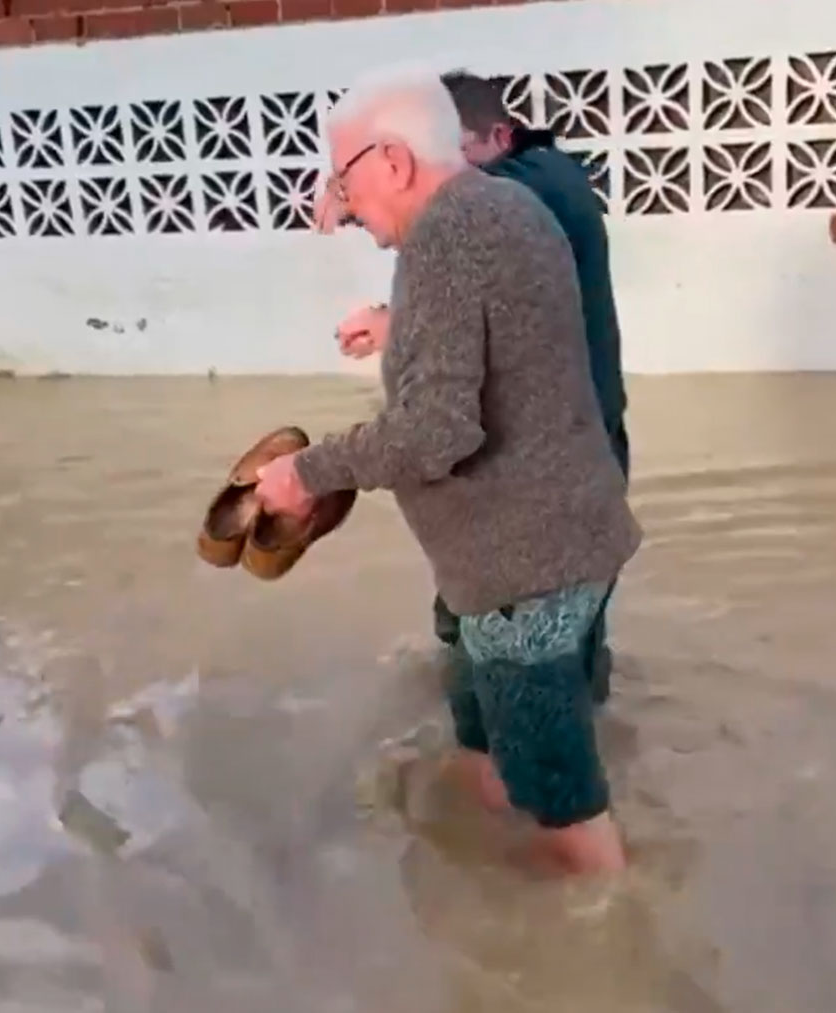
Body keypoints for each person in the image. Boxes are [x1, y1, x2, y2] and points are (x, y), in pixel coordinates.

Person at [253, 64, 640, 876]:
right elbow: (504, 349)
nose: (344, 201)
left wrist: (308, 473)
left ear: (393, 162)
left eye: (344, 178)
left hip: (524, 574)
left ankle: (598, 963)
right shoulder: (504, 206)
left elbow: (435, 433)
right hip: (546, 546)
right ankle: (473, 888)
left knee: (563, 813)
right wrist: (403, 330)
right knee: (483, 748)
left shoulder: (448, 235)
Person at [330, 71, 628, 708]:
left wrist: (359, 198)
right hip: (581, 440)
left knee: (526, 672)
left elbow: (438, 424)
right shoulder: (543, 179)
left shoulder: (514, 195)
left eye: (456, 151)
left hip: (542, 469)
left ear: (501, 135)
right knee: (564, 648)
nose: (446, 170)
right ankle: (580, 727)